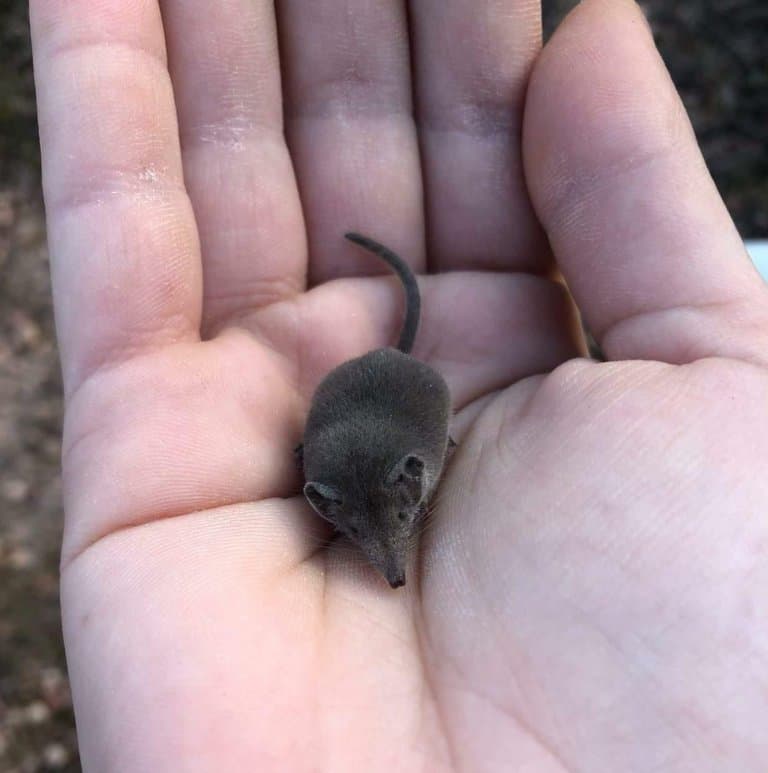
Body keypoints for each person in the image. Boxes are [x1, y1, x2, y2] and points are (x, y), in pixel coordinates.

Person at [30, 0, 768, 769]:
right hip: (379, 407)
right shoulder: (350, 467)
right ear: (325, 502)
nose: (390, 567)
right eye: (368, 539)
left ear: (415, 474)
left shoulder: (392, 451)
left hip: (393, 404)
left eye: (388, 540)